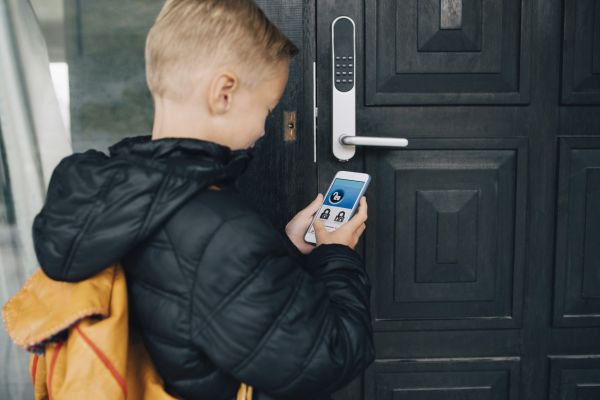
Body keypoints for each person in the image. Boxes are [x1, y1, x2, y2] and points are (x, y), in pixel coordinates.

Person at [31, 0, 375, 399]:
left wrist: (283, 246)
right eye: (266, 108)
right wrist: (336, 255)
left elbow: (195, 286)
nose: (265, 128)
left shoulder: (119, 195)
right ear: (224, 92)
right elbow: (333, 355)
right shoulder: (219, 227)